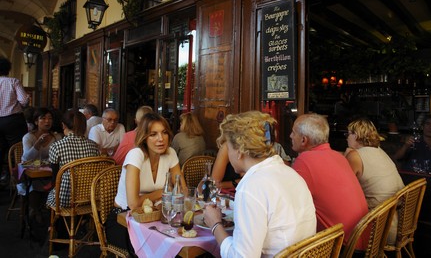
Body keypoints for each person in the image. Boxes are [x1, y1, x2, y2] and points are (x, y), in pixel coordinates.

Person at [204, 111, 316, 257]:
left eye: (229, 148)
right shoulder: (291, 174)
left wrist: (215, 225)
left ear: (239, 151)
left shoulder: (251, 186)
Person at [108, 113, 186, 254]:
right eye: (153, 134)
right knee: (161, 247)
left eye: (164, 133)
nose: (160, 139)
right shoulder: (135, 154)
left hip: (155, 217)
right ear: (144, 137)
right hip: (124, 220)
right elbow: (133, 204)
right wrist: (163, 192)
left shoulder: (170, 153)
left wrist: (167, 193)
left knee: (179, 243)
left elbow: (182, 190)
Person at [290, 113, 368, 249]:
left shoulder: (305, 160)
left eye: (293, 132)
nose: (290, 136)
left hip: (342, 248)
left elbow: (290, 204)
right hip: (364, 240)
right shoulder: (339, 157)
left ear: (304, 140)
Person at [344, 118, 404, 244]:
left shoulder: (355, 156)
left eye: (348, 133)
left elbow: (343, 188)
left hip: (377, 225)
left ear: (357, 135)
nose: (346, 137)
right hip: (398, 220)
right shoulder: (379, 151)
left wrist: (346, 156)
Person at [46, 109, 101, 208]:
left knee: (47, 196)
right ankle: (82, 221)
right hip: (90, 198)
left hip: (65, 199)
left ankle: (56, 222)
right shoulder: (93, 146)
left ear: (63, 125)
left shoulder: (57, 146)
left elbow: (55, 179)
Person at [212, 124, 291, 191]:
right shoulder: (230, 146)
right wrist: (236, 182)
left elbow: (267, 177)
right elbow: (215, 183)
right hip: (226, 195)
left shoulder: (268, 148)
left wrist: (234, 183)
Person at [20, 107, 62, 222]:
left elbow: (58, 158)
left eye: (50, 118)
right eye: (43, 119)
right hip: (32, 174)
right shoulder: (28, 137)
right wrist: (37, 144)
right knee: (33, 185)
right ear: (36, 122)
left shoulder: (56, 137)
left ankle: (48, 210)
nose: (47, 121)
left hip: (48, 173)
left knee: (57, 182)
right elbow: (26, 160)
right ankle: (35, 210)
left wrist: (42, 162)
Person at [0, 57, 29, 182]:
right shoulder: (13, 81)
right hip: (13, 121)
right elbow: (24, 100)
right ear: (7, 69)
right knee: (17, 152)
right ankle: (18, 182)